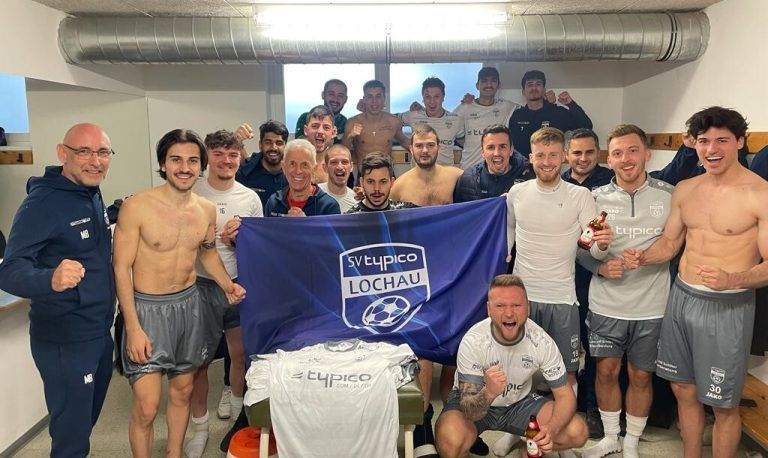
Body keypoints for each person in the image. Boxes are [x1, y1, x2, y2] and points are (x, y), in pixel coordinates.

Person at [623, 106, 768, 458]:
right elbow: (671, 243)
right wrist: (643, 256)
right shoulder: (686, 189)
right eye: (704, 141)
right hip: (682, 298)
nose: (712, 149)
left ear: (739, 142)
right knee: (683, 391)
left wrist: (734, 278)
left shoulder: (759, 194)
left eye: (721, 140)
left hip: (727, 305)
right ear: (694, 145)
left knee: (722, 405)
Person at [113, 129, 246, 458]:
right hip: (146, 310)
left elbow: (207, 252)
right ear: (163, 163)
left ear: (201, 166)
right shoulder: (136, 206)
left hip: (188, 306)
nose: (184, 167)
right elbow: (120, 268)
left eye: (191, 161)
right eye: (176, 160)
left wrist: (226, 283)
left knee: (182, 392)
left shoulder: (206, 209)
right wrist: (133, 327)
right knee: (146, 406)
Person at [0, 124, 116, 457]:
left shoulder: (89, 192)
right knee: (71, 437)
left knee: (85, 423)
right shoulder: (42, 203)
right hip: (66, 338)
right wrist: (49, 278)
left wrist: (114, 213)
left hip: (97, 331)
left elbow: (78, 237)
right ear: (62, 153)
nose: (95, 161)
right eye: (84, 152)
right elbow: (9, 270)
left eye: (102, 152)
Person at [501, 126, 610, 456]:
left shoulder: (581, 196)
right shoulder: (516, 193)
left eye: (553, 155)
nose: (546, 162)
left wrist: (604, 246)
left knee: (565, 374)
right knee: (521, 372)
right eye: (540, 156)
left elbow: (594, 248)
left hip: (563, 298)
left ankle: (555, 434)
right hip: (523, 298)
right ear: (530, 157)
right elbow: (507, 239)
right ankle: (520, 432)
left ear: (563, 157)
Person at [580, 125, 675, 458]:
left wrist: (648, 257)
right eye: (617, 153)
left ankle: (631, 443)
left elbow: (676, 244)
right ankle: (609, 438)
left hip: (652, 306)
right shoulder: (594, 198)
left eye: (633, 150)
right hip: (606, 304)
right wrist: (600, 264)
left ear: (647, 153)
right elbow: (582, 249)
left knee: (641, 375)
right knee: (606, 372)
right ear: (610, 159)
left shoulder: (670, 195)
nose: (625, 159)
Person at [434, 274, 588, 458]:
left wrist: (551, 429)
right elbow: (468, 409)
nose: (509, 313)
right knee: (449, 440)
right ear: (489, 309)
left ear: (528, 308)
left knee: (577, 431)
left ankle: (526, 451)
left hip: (520, 404)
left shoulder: (542, 341)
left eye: (516, 305)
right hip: (478, 404)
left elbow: (565, 396)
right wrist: (489, 392)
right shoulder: (473, 341)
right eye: (500, 306)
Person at [184, 130, 263, 458]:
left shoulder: (250, 198)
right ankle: (199, 428)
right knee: (199, 363)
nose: (226, 161)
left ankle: (235, 413)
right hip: (199, 285)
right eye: (218, 154)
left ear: (241, 157)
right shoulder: (191, 191)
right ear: (208, 157)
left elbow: (260, 250)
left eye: (233, 155)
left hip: (238, 281)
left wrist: (237, 240)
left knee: (239, 355)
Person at [508, 70, 593, 156]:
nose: (534, 88)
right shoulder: (517, 116)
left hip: (551, 166)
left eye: (538, 84)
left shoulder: (558, 113)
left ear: (544, 90)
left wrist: (571, 104)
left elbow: (587, 127)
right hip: (523, 167)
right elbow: (511, 145)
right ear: (523, 92)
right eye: (530, 85)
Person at [453, 67, 520, 170]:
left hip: (496, 170)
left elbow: (532, 105)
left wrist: (546, 97)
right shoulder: (465, 108)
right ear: (477, 85)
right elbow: (449, 126)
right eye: (484, 81)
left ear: (499, 85)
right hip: (469, 169)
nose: (489, 85)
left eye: (493, 81)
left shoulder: (507, 107)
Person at [453, 124, 534, 203]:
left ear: (511, 150)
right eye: (491, 147)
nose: (497, 153)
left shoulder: (529, 176)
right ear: (482, 152)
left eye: (502, 147)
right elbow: (459, 213)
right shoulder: (467, 180)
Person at [343, 80, 410, 174]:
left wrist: (422, 148)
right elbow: (342, 151)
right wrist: (350, 136)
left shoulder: (393, 121)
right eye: (370, 97)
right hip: (364, 175)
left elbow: (403, 140)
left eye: (378, 96)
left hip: (386, 174)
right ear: (364, 99)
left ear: (384, 98)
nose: (374, 101)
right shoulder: (353, 122)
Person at [264, 138, 341, 217]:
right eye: (292, 164)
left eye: (305, 165)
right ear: (283, 168)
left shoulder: (328, 207)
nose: (298, 171)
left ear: (314, 169)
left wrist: (304, 223)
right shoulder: (273, 202)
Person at [389, 124, 463, 206]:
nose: (425, 150)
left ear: (438, 148)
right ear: (411, 150)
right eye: (419, 146)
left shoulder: (455, 176)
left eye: (430, 145)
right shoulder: (398, 187)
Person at [400, 77, 465, 166]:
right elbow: (392, 122)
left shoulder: (456, 120)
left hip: (445, 175)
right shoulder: (413, 115)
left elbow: (464, 142)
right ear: (422, 97)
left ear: (443, 97)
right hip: (419, 175)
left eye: (436, 97)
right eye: (427, 97)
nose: (432, 102)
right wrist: (404, 141)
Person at [234, 120, 289, 206]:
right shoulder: (245, 172)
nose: (273, 147)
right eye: (268, 142)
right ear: (260, 145)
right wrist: (235, 140)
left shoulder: (293, 174)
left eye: (279, 143)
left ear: (285, 146)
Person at [346, 152, 417, 212]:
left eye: (383, 182)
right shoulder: (350, 219)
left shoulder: (406, 212)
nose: (377, 188)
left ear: (392, 183)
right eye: (370, 182)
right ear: (361, 182)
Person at [294, 78, 348, 143]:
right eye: (331, 94)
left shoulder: (345, 122)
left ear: (345, 99)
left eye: (340, 96)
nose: (335, 99)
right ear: (323, 95)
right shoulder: (306, 117)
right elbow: (300, 144)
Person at [303, 104, 341, 184]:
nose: (320, 131)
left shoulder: (338, 165)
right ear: (306, 130)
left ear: (333, 132)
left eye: (326, 127)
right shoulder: (295, 162)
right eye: (315, 126)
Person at [318, 144, 357, 212]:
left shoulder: (356, 200)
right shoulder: (314, 194)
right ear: (325, 167)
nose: (340, 167)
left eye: (344, 162)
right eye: (334, 162)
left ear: (351, 167)